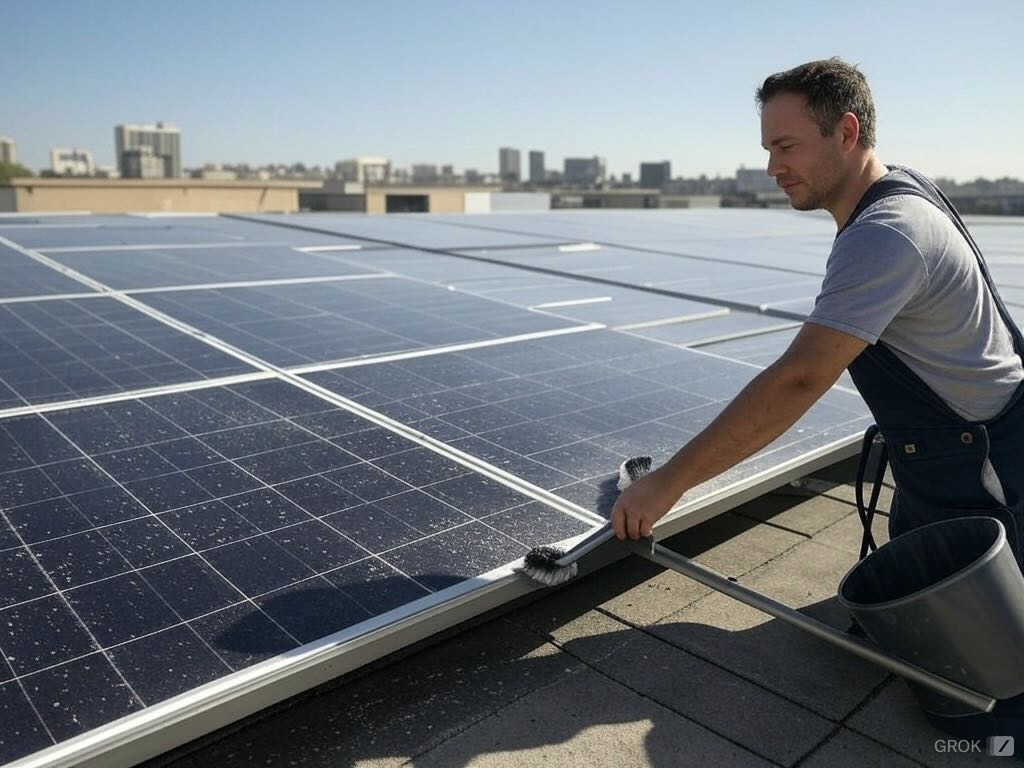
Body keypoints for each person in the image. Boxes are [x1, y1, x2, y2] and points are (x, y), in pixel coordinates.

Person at [610, 57, 1024, 735]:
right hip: (945, 463)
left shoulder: (886, 235)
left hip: (989, 480)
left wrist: (668, 486)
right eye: (768, 148)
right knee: (901, 629)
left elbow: (800, 378)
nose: (774, 166)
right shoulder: (903, 192)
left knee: (982, 709)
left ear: (848, 131)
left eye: (786, 145)